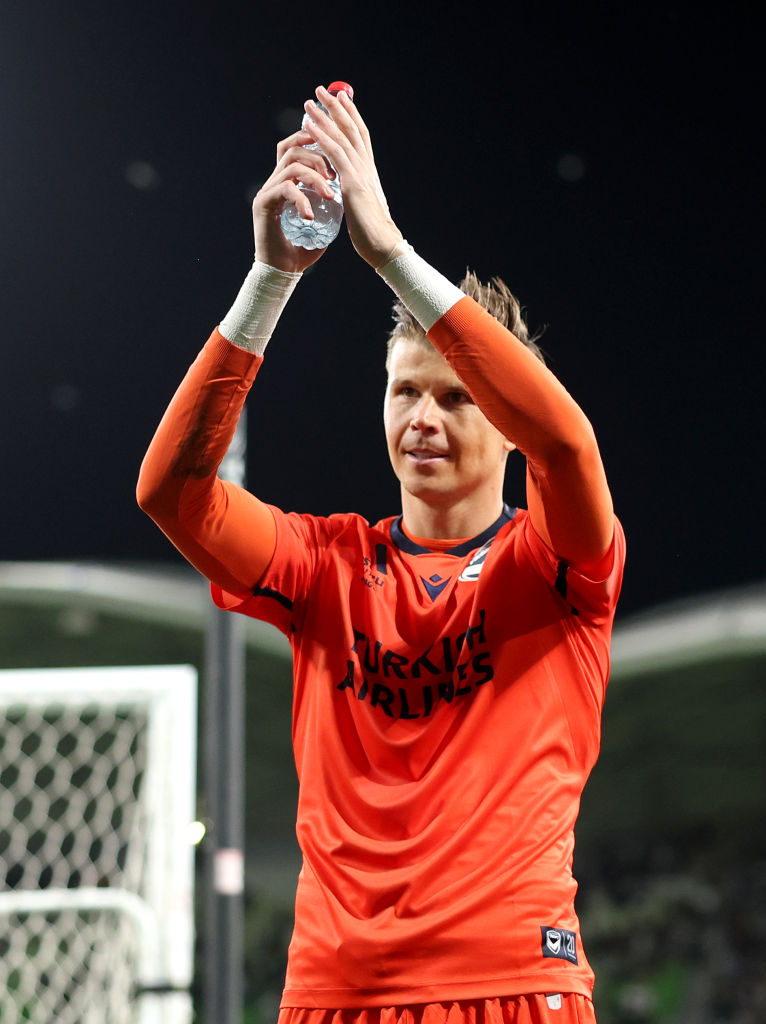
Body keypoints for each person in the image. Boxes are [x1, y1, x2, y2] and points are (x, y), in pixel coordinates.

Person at [137, 85, 625, 1024]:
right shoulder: (322, 565)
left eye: (455, 397)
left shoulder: (558, 566)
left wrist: (390, 254)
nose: (423, 418)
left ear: (505, 420)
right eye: (405, 393)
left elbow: (567, 446)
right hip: (336, 993)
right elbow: (170, 493)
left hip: (509, 983)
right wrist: (270, 279)